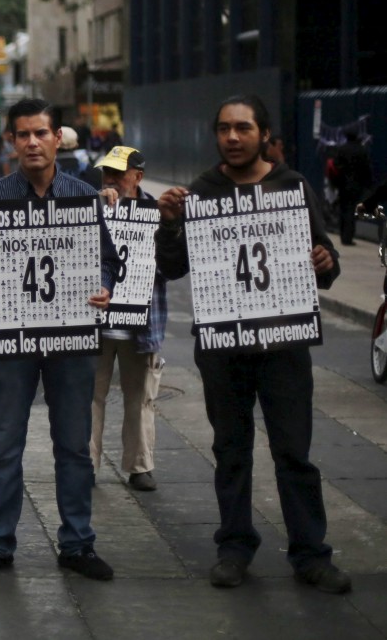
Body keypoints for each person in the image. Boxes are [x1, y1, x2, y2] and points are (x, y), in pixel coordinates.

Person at [155, 94, 350, 594]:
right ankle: (234, 547)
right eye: (224, 129)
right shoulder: (202, 190)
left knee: (294, 452)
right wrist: (170, 223)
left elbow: (324, 260)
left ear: (265, 134)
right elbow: (173, 268)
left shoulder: (292, 186)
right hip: (224, 350)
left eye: (243, 128)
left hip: (284, 347)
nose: (233, 137)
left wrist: (324, 262)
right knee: (231, 449)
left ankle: (311, 553)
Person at [0, 97, 118, 581]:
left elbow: (107, 259)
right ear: (10, 142)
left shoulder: (83, 197)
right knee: (4, 442)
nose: (31, 142)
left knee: (73, 444)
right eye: (22, 135)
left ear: (57, 137)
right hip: (11, 340)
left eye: (40, 133)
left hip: (71, 339)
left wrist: (104, 283)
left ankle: (78, 543)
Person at [89, 146, 167, 492]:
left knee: (141, 397)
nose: (111, 180)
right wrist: (95, 207)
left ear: (138, 176)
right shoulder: (89, 206)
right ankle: (85, 465)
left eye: (119, 173)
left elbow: (172, 265)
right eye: (107, 172)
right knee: (89, 396)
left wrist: (171, 227)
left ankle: (140, 465)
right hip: (96, 319)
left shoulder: (157, 211)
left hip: (142, 324)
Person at [328, 126, 372, 245]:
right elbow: (366, 168)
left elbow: (335, 166)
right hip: (357, 185)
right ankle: (349, 236)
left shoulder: (342, 150)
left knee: (344, 209)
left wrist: (336, 181)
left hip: (343, 184)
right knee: (352, 210)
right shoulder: (362, 150)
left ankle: (343, 236)